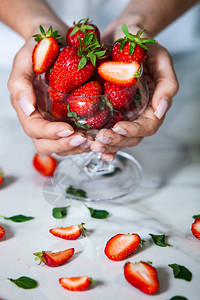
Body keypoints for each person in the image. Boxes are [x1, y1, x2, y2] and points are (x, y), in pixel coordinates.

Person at [0, 0, 197, 161]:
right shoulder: (75, 63)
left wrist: (139, 23)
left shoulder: (102, 67)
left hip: (172, 34)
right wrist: (36, 25)